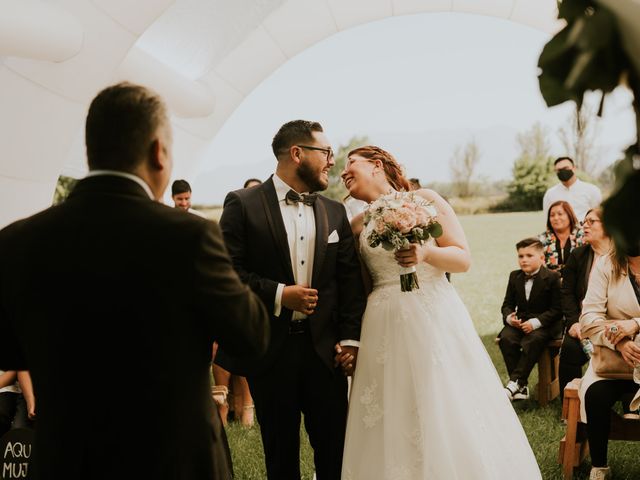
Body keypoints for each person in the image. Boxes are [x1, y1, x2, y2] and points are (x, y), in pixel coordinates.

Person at [0, 82, 270, 480]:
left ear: (91, 151)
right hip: (172, 459)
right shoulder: (188, 236)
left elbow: (9, 348)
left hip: (68, 459)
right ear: (159, 152)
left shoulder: (17, 239)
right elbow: (250, 335)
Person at [340, 146, 541, 479]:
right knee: (390, 407)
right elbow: (354, 284)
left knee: (441, 400)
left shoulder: (424, 199)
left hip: (432, 312)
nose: (344, 173)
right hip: (381, 319)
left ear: (376, 166)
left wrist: (425, 253)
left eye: (350, 164)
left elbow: (463, 259)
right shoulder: (355, 224)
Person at [216, 120, 366, 480]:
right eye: (326, 152)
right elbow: (227, 272)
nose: (332, 160)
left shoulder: (334, 211)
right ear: (297, 154)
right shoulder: (243, 204)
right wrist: (282, 293)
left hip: (324, 354)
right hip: (271, 353)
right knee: (280, 456)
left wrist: (349, 340)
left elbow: (347, 282)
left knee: (335, 451)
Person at [578, 243, 640, 480]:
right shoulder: (605, 263)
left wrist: (635, 323)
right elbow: (589, 320)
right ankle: (599, 467)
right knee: (595, 395)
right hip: (615, 366)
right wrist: (620, 342)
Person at [210, 178, 264, 428]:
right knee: (219, 341)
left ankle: (246, 403)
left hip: (260, 298)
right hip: (234, 294)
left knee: (246, 337)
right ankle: (223, 397)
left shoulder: (269, 226)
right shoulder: (233, 227)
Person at [498, 237, 563, 401]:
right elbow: (507, 304)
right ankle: (521, 386)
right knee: (506, 338)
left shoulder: (553, 277)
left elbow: (557, 309)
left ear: (542, 258)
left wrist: (535, 323)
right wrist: (510, 318)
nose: (524, 259)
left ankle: (515, 382)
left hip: (544, 325)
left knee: (532, 341)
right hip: (520, 323)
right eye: (521, 256)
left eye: (529, 255)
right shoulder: (515, 276)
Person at [559, 208, 611, 399]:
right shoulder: (579, 255)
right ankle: (569, 405)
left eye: (592, 221)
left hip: (614, 323)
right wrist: (573, 322)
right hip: (584, 324)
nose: (585, 226)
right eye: (584, 222)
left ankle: (629, 404)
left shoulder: (623, 256)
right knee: (570, 349)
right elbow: (567, 293)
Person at [542, 156, 602, 221]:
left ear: (574, 168)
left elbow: (598, 215)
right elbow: (547, 219)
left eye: (566, 168)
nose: (563, 171)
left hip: (585, 229)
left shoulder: (592, 190)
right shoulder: (550, 194)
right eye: (559, 170)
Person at [539, 200, 585, 275]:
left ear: (570, 215)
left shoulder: (583, 236)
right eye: (552, 215)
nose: (556, 218)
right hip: (551, 283)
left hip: (578, 281)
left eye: (560, 214)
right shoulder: (541, 239)